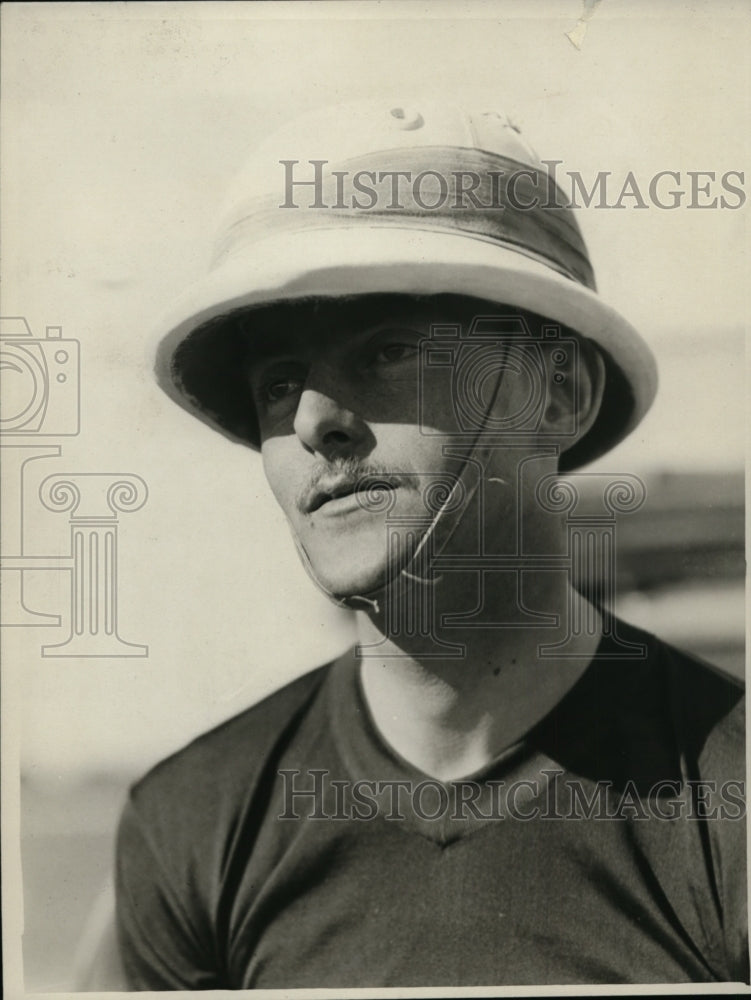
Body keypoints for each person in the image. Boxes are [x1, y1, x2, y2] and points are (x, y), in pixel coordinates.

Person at [115, 100, 747, 988]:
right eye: (278, 382)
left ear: (557, 395)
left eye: (388, 351)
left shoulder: (730, 802)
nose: (312, 423)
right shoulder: (192, 824)